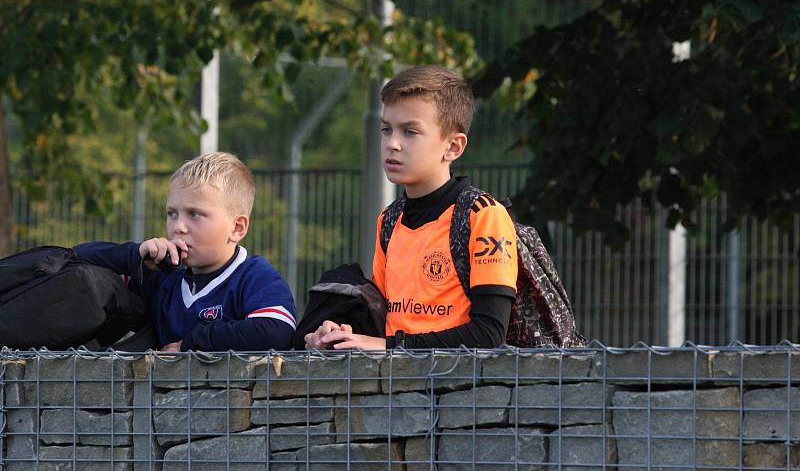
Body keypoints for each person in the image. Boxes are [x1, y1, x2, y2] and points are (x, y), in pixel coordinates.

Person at [305, 65, 518, 350]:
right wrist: (340, 332)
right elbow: (382, 321)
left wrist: (389, 346)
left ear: (453, 147)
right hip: (395, 385)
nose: (392, 143)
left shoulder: (484, 215)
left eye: (410, 132)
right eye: (386, 129)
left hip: (463, 389)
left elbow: (489, 334)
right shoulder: (389, 219)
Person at [75, 151, 296, 351]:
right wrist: (134, 255)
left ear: (237, 228)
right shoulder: (163, 278)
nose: (178, 227)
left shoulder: (254, 275)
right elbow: (74, 263)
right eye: (172, 214)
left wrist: (189, 345)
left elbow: (275, 331)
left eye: (195, 214)